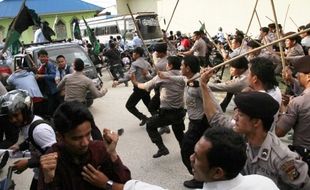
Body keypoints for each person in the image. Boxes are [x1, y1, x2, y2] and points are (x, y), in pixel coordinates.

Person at [200, 69, 310, 190]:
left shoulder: (283, 158)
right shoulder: (240, 135)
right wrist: (203, 85)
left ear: (256, 122)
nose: (235, 118)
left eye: (240, 114)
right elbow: (216, 118)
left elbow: (304, 186)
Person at [38, 101, 131, 189]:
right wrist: (48, 180)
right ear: (60, 137)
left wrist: (113, 154)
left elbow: (127, 185)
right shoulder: (51, 161)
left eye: (88, 134)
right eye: (76, 138)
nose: (85, 143)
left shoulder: (100, 149)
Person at [158, 56, 210, 188]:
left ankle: (198, 179)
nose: (180, 68)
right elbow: (180, 78)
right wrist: (165, 76)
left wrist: (204, 82)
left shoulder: (198, 83)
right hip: (195, 121)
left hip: (199, 122)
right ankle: (204, 174)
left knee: (186, 149)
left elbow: (211, 99)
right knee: (199, 150)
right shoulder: (188, 78)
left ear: (188, 68)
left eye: (182, 66)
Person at [0, 89, 56, 190]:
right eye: (10, 117)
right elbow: (31, 139)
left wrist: (28, 163)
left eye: (16, 115)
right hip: (41, 171)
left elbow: (55, 155)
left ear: (26, 111)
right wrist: (20, 146)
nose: (12, 120)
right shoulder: (27, 125)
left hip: (51, 175)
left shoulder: (39, 130)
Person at [132, 56, 186, 158]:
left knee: (150, 125)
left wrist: (135, 82)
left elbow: (145, 86)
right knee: (179, 134)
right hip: (180, 112)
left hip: (167, 113)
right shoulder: (183, 76)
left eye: (167, 63)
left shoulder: (163, 76)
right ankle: (186, 152)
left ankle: (162, 148)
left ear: (169, 65)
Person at [276, 56, 310, 166]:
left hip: (304, 156)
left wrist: (284, 108)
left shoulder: (298, 102)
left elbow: (279, 132)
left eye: (299, 74)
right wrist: (290, 79)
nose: (297, 76)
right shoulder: (299, 100)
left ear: (308, 76)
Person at [113, 47, 154, 126]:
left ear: (137, 54)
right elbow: (151, 75)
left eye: (133, 53)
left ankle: (144, 118)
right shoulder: (147, 63)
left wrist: (118, 81)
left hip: (139, 88)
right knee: (149, 106)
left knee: (129, 106)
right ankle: (158, 121)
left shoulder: (134, 64)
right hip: (146, 87)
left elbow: (129, 76)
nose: (132, 54)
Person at [35, 49, 59, 116]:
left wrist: (41, 76)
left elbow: (53, 76)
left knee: (51, 108)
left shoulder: (49, 65)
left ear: (47, 57)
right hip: (46, 91)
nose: (43, 58)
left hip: (52, 91)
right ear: (38, 57)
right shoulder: (41, 65)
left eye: (44, 56)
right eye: (41, 57)